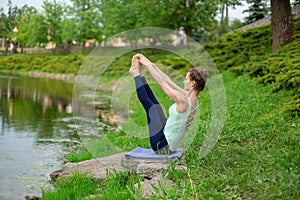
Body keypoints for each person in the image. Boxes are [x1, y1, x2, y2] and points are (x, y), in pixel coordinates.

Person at [129, 54, 210, 154]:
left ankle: (136, 74)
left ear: (193, 83)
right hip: (168, 143)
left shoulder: (184, 101)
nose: (184, 81)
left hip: (161, 146)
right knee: (156, 107)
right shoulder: (192, 100)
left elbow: (161, 82)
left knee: (151, 107)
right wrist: (150, 64)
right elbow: (167, 80)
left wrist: (147, 64)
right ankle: (140, 75)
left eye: (186, 79)